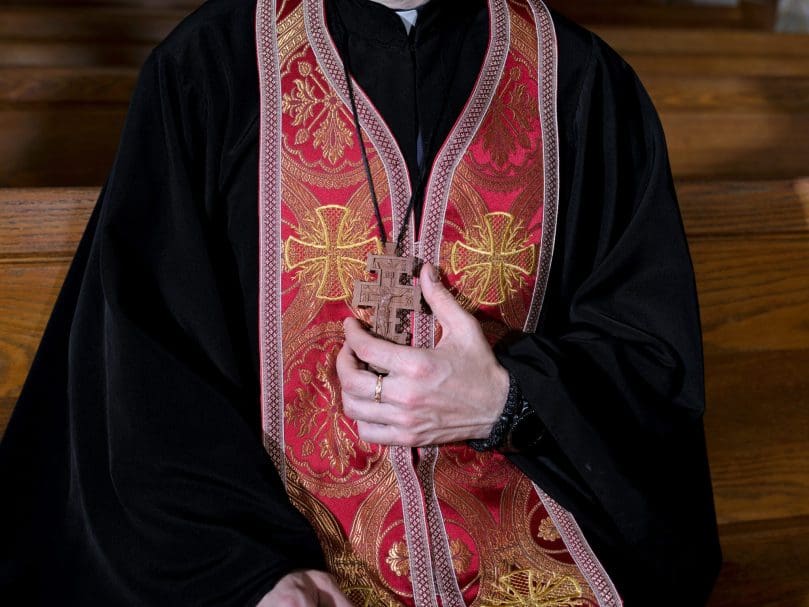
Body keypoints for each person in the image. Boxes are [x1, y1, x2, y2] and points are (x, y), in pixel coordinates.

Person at [0, 0, 722, 605]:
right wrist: (248, 574)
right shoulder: (209, 70)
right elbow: (144, 378)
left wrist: (508, 400)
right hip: (291, 557)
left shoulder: (583, 82)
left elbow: (651, 362)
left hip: (538, 551)